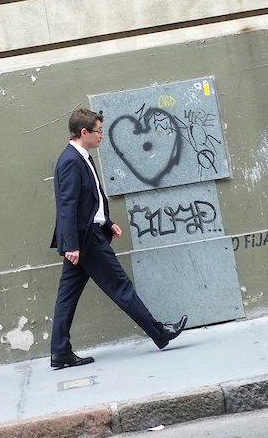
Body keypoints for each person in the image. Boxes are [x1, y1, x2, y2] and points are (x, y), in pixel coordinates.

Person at [49, 107, 188, 369]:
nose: (102, 136)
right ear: (84, 132)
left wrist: (106, 221)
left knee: (67, 295)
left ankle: (59, 351)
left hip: (89, 234)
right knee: (121, 287)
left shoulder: (81, 157)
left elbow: (87, 200)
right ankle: (159, 333)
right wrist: (72, 245)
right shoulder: (70, 161)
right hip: (86, 241)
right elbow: (66, 205)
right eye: (98, 132)